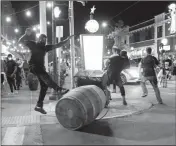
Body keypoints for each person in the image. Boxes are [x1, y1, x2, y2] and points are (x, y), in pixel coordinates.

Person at [18, 30, 75, 114]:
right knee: (45, 76)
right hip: (33, 66)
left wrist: (67, 39)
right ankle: (58, 89)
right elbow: (20, 41)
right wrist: (25, 34)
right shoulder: (33, 44)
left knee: (44, 86)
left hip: (41, 67)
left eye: (45, 40)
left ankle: (39, 106)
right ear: (39, 39)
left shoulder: (45, 47)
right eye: (42, 39)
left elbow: (57, 45)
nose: (43, 41)